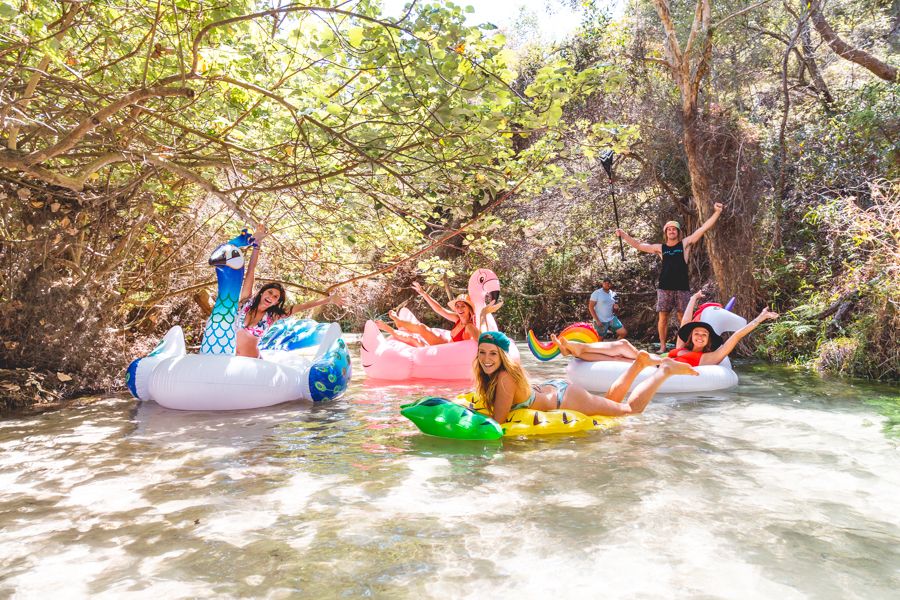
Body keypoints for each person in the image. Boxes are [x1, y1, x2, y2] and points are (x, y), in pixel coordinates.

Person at [474, 331, 697, 424]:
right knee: (612, 403)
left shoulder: (504, 377)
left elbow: (498, 423)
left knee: (629, 410)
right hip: (553, 389)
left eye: (493, 353)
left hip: (566, 398)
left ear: (502, 356)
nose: (486, 359)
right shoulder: (492, 374)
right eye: (482, 352)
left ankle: (663, 371)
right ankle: (638, 364)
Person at [615, 202, 724, 353]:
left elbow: (702, 229)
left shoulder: (684, 244)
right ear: (666, 232)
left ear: (678, 232)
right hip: (664, 287)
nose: (672, 231)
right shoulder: (661, 248)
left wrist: (717, 213)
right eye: (669, 229)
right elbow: (639, 245)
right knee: (663, 318)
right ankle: (662, 346)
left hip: (682, 287)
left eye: (674, 229)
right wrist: (624, 235)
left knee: (683, 318)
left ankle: (685, 346)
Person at [235, 225, 345, 358]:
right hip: (232, 359)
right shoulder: (245, 301)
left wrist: (329, 299)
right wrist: (257, 243)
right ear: (262, 292)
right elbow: (251, 271)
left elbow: (304, 306)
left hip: (253, 362)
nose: (272, 296)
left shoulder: (273, 316)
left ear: (277, 302)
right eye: (270, 292)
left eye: (276, 297)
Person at [374, 281, 480, 347]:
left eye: (463, 306)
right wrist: (423, 293)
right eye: (457, 306)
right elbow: (440, 310)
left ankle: (395, 324)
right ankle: (398, 321)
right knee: (421, 328)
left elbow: (481, 339)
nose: (459, 309)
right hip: (445, 341)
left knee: (418, 332)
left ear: (469, 309)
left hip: (446, 348)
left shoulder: (469, 326)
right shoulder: (458, 318)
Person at [669, 305, 779, 367]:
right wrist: (693, 298)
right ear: (691, 336)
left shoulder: (710, 357)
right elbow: (685, 323)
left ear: (708, 340)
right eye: (696, 333)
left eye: (704, 335)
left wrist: (760, 318)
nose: (700, 337)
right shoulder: (681, 349)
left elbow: (737, 335)